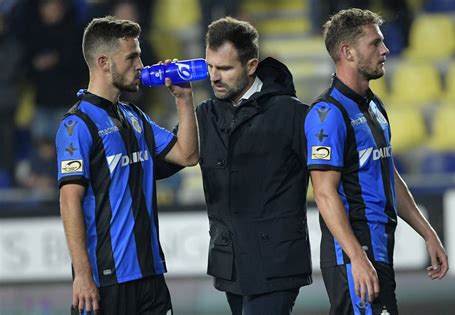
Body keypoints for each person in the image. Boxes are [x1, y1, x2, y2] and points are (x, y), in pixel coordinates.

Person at [305, 8, 449, 315]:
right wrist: (357, 258)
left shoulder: (372, 104)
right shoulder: (328, 114)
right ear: (348, 53)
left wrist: (427, 232)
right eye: (375, 43)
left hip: (379, 250)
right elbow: (324, 193)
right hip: (356, 255)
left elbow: (386, 172)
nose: (385, 50)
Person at [55, 16, 198, 314]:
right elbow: (69, 201)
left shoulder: (135, 116)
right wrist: (82, 275)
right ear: (104, 63)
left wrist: (184, 99)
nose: (141, 65)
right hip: (105, 281)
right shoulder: (76, 125)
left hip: (151, 274)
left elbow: (188, 155)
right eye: (132, 57)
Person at [196, 17, 312, 314]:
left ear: (251, 66)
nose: (214, 77)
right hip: (231, 264)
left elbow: (331, 178)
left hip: (277, 263)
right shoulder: (205, 115)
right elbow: (167, 161)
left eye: (224, 68)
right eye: (210, 67)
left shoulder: (292, 114)